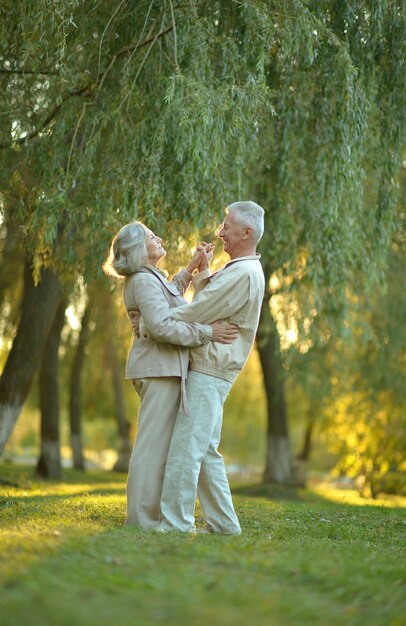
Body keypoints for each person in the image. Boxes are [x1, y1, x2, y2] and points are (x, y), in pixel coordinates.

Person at [102, 221, 238, 529]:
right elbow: (162, 326)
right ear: (139, 249)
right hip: (158, 369)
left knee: (159, 444)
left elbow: (170, 296)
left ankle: (149, 515)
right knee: (152, 446)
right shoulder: (143, 280)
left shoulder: (150, 278)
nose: (159, 238)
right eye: (151, 237)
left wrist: (190, 269)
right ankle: (141, 518)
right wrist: (208, 331)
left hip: (163, 368)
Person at [156, 200, 266, 535]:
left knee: (186, 448)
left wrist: (154, 319)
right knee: (204, 451)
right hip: (212, 367)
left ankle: (175, 524)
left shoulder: (244, 273)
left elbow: (196, 311)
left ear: (247, 232)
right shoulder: (239, 271)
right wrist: (204, 271)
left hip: (209, 369)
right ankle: (223, 524)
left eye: (227, 226)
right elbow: (210, 304)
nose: (220, 232)